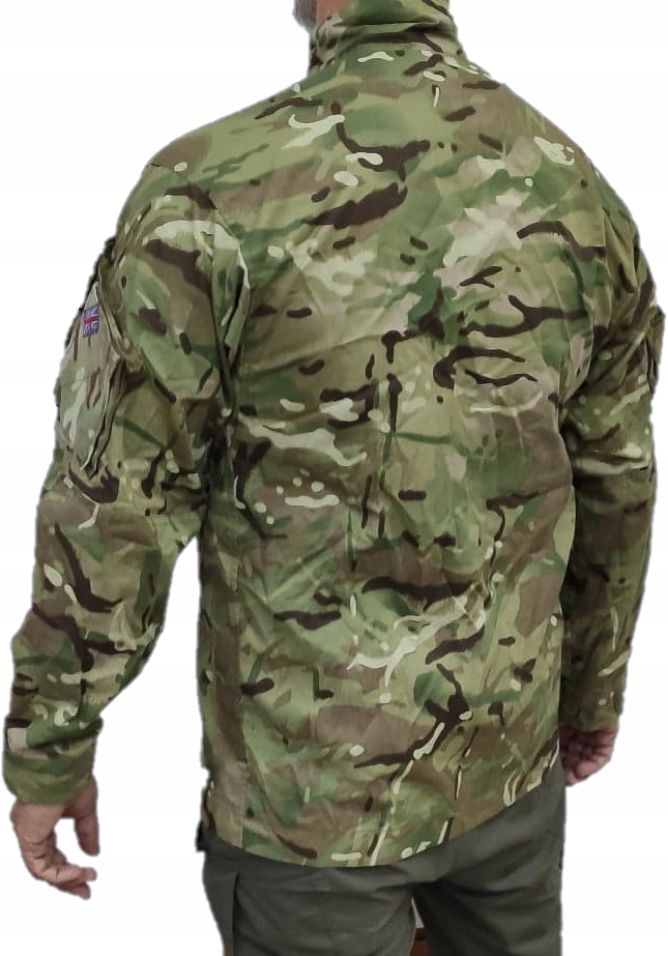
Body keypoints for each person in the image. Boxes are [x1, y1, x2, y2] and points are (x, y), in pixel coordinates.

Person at [3, 0, 664, 953]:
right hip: (507, 775)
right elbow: (616, 481)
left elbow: (116, 502)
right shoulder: (575, 191)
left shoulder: (213, 192)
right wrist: (592, 698)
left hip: (311, 811)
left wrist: (51, 743)